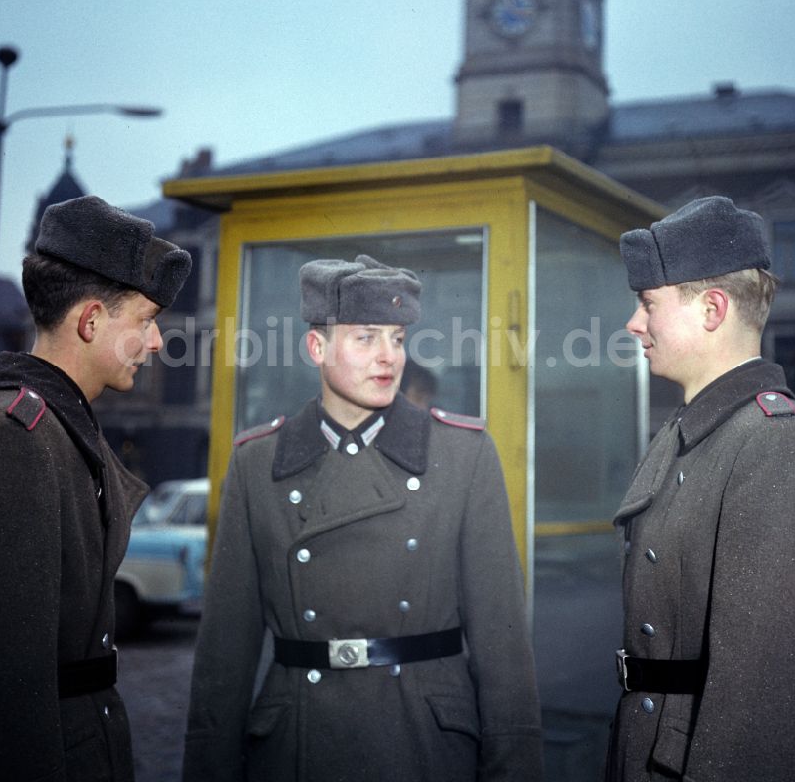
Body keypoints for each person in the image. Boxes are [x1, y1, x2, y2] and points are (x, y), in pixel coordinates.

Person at [183, 255, 542, 781]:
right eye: (365, 337)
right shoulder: (258, 463)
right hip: (297, 747)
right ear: (317, 347)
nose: (388, 358)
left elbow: (504, 651)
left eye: (397, 338)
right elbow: (224, 656)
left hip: (424, 745)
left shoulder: (463, 455)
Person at [0, 195, 191, 780]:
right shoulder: (12, 441)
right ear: (90, 321)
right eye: (144, 319)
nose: (158, 341)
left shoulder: (53, 430)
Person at [607, 197, 795, 781]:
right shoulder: (695, 433)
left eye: (648, 304)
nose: (633, 323)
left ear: (713, 309)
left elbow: (772, 709)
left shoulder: (777, 448)